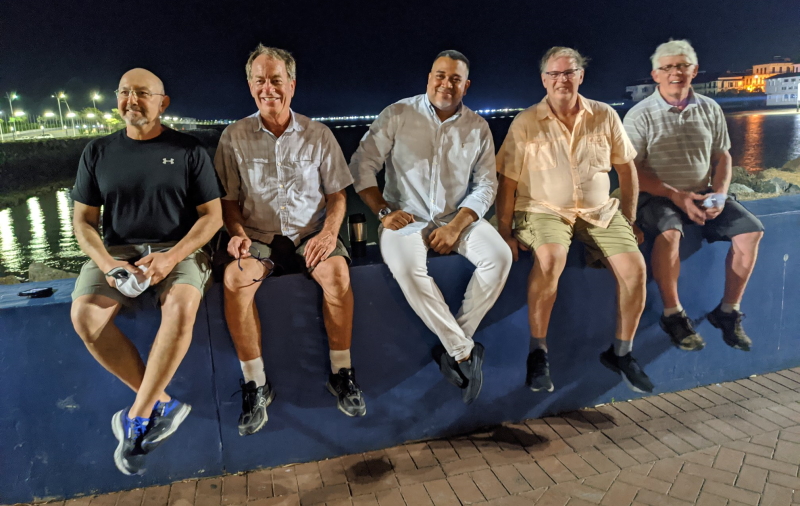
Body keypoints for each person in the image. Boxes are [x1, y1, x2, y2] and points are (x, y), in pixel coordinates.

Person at [70, 68, 224, 475]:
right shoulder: (97, 152)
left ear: (162, 102)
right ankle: (162, 404)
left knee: (181, 307)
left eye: (142, 93)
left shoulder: (189, 150)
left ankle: (136, 418)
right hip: (116, 252)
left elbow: (212, 218)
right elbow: (83, 222)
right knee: (85, 317)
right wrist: (107, 263)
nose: (132, 101)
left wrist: (172, 257)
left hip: (178, 251)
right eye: (124, 93)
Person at [215, 45, 365, 436]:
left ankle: (342, 373)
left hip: (310, 233)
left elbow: (337, 196)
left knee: (337, 276)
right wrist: (236, 236)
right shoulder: (232, 137)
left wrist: (330, 233)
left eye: (276, 80)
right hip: (258, 237)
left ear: (292, 85)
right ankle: (256, 384)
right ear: (251, 87)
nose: (269, 89)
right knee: (235, 281)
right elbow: (228, 201)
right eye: (260, 81)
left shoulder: (319, 134)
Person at [350, 50, 512, 405]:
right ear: (428, 78)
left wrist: (456, 226)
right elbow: (362, 164)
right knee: (408, 269)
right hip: (404, 217)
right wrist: (382, 212)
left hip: (457, 217)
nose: (446, 84)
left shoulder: (478, 127)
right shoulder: (398, 114)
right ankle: (464, 350)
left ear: (466, 86)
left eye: (455, 79)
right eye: (440, 76)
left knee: (499, 257)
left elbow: (487, 185)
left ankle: (455, 346)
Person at [496, 47, 654, 394]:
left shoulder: (604, 115)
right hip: (544, 209)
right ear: (543, 80)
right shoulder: (525, 122)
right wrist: (504, 233)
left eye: (569, 73)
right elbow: (506, 181)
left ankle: (622, 352)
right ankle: (538, 352)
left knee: (635, 269)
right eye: (554, 74)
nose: (562, 80)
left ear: (581, 76)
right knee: (551, 258)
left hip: (599, 211)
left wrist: (628, 217)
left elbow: (626, 169)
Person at [623, 39, 764, 352]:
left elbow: (722, 156)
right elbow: (632, 171)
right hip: (656, 195)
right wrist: (676, 196)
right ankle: (673, 314)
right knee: (670, 232)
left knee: (751, 231)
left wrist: (721, 194)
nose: (676, 72)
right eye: (667, 67)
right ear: (655, 75)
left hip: (703, 192)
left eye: (682, 66)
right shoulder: (639, 115)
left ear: (694, 71)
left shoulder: (709, 108)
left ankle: (728, 311)